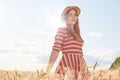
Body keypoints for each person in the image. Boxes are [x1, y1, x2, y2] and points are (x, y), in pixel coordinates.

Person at [46, 6, 89, 80]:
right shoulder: (61, 30)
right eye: (70, 14)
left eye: (75, 15)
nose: (73, 17)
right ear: (66, 17)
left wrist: (86, 70)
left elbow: (80, 55)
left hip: (78, 70)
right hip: (66, 67)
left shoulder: (77, 35)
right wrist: (48, 70)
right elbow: (56, 50)